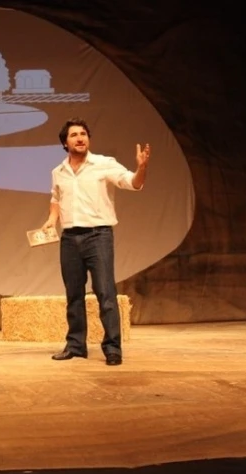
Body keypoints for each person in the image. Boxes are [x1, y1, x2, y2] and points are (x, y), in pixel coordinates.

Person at [41, 117, 150, 366]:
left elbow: (132, 183)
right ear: (65, 143)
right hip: (69, 238)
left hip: (98, 236)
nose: (80, 138)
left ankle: (112, 348)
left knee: (105, 292)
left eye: (83, 134)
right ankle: (75, 345)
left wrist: (142, 168)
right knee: (74, 295)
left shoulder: (103, 164)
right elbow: (56, 198)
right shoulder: (58, 172)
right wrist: (51, 219)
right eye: (74, 135)